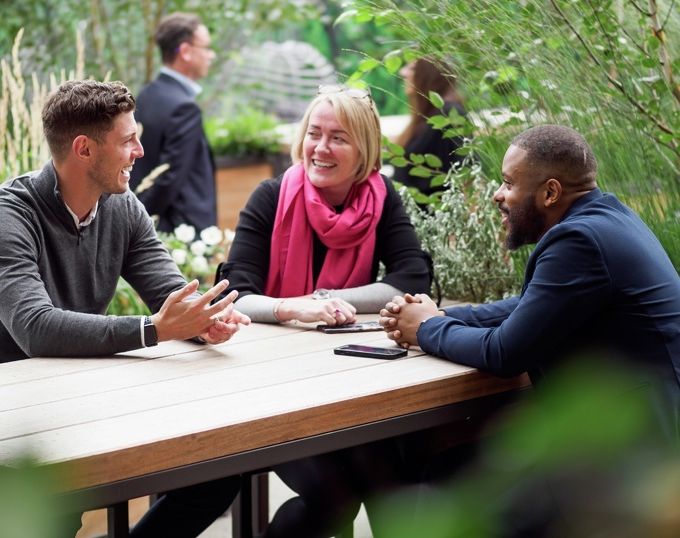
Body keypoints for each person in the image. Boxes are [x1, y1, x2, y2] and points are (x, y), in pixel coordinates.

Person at [380, 124, 680, 532]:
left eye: (507, 183)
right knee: (440, 459)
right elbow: (532, 306)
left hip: (631, 459)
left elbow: (506, 352)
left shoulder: (580, 240)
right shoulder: (608, 217)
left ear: (550, 192)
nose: (497, 195)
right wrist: (444, 316)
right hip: (636, 435)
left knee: (444, 478)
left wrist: (426, 329)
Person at [0, 79, 251, 538]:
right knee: (57, 513)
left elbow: (169, 292)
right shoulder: (10, 216)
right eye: (127, 140)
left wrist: (202, 320)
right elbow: (34, 328)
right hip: (20, 422)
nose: (139, 151)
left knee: (215, 474)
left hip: (91, 397)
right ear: (84, 149)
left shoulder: (121, 207)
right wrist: (153, 329)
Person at [217, 84, 433, 537]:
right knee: (338, 493)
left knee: (393, 472)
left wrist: (328, 300)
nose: (321, 147)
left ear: (365, 151)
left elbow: (412, 276)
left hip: (351, 385)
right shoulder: (272, 196)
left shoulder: (380, 198)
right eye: (315, 133)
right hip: (273, 390)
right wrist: (291, 309)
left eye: (338, 137)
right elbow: (236, 293)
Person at [129, 12, 218, 232]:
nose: (212, 55)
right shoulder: (184, 108)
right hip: (179, 233)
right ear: (185, 51)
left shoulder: (146, 96)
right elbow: (167, 179)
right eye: (206, 48)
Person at [392, 56, 468, 196]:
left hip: (438, 213)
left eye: (412, 68)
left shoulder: (451, 113)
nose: (403, 72)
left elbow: (468, 171)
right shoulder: (424, 118)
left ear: (431, 74)